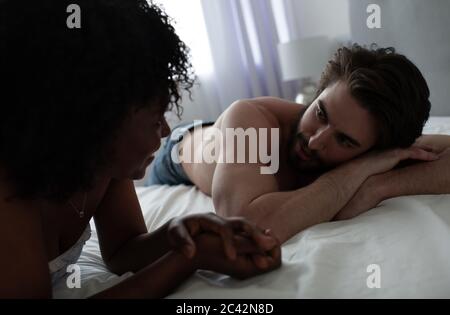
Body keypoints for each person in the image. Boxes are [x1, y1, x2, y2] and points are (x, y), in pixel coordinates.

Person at [0, 0, 281, 298]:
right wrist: (190, 258)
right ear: (101, 121)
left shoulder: (100, 164)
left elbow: (123, 250)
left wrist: (186, 232)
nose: (167, 131)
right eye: (155, 119)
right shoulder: (10, 186)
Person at [148, 44, 450, 243]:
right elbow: (245, 224)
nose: (316, 141)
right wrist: (349, 177)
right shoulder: (252, 116)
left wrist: (378, 186)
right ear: (318, 92)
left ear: (375, 149)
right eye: (320, 112)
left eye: (344, 140)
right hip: (178, 151)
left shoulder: (378, 144)